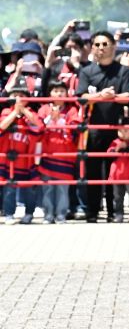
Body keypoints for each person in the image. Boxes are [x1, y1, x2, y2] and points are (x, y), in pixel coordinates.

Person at [76, 31, 129, 223]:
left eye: (105, 44)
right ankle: (92, 212)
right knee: (93, 173)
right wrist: (101, 95)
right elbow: (82, 97)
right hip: (93, 130)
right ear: (92, 48)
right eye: (97, 44)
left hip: (117, 131)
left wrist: (114, 97)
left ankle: (113, 212)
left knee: (114, 173)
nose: (101, 48)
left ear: (113, 46)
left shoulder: (123, 71)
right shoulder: (86, 71)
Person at [37, 80, 80, 224]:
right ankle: (48, 215)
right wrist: (50, 118)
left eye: (62, 90)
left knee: (62, 188)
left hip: (65, 155)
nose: (59, 93)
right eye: (55, 90)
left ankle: (61, 215)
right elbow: (38, 127)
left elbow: (75, 128)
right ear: (50, 93)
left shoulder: (71, 110)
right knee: (47, 188)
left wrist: (60, 121)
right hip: (47, 153)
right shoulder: (43, 109)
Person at [0, 90, 43, 224]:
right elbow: (2, 126)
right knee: (9, 188)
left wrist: (23, 110)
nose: (18, 98)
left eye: (22, 96)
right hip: (9, 159)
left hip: (27, 159)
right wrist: (15, 113)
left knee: (30, 188)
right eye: (15, 95)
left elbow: (39, 126)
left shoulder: (31, 113)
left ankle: (29, 213)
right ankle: (9, 214)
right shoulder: (6, 112)